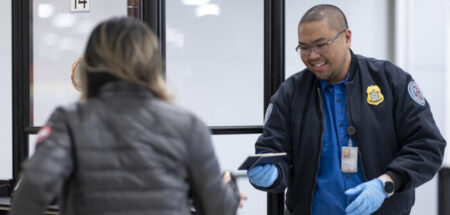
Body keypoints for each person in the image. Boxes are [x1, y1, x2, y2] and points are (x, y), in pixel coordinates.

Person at [11, 17, 243, 215]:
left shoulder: (69, 120)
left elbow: (31, 190)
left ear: (91, 65)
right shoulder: (188, 125)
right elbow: (217, 208)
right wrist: (229, 188)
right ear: (152, 64)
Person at [247, 4, 446, 215]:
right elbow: (273, 152)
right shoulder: (290, 93)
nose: (312, 55)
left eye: (321, 44)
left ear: (347, 38)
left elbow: (428, 146)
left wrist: (387, 183)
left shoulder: (390, 81)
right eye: (304, 47)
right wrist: (272, 173)